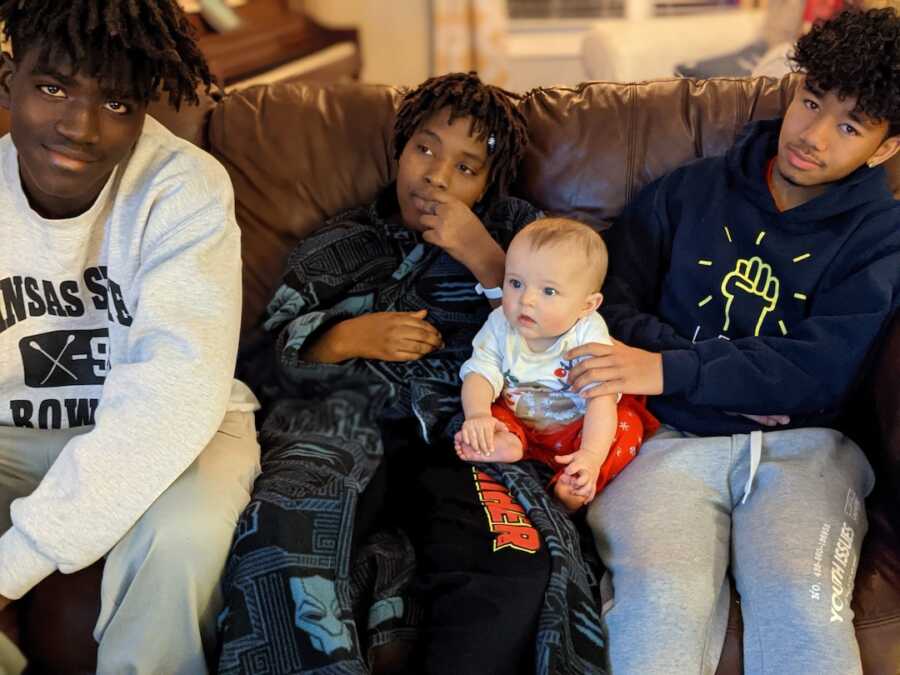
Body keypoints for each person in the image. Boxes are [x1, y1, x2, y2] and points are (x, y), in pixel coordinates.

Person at [219, 72, 602, 675]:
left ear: (491, 184)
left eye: (466, 168)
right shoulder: (345, 238)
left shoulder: (525, 236)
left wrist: (481, 252)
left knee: (519, 560)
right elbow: (258, 358)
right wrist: (344, 337)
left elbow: (568, 328)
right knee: (282, 538)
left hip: (467, 426)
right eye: (425, 149)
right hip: (343, 419)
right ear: (400, 148)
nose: (437, 176)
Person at [568, 8, 900, 674]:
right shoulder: (686, 193)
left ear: (887, 147)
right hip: (665, 439)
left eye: (850, 126)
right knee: (658, 605)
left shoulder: (881, 236)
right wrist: (712, 380)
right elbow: (603, 306)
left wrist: (664, 368)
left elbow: (819, 373)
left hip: (807, 450)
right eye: (811, 102)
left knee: (800, 607)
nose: (811, 135)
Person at [0, 2, 261, 673]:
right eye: (52, 88)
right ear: (8, 82)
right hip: (12, 430)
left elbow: (173, 396)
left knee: (185, 537)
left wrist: (10, 565)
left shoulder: (186, 189)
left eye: (115, 103)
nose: (78, 127)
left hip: (181, 426)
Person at [455, 218, 658, 510]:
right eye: (515, 283)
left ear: (587, 306)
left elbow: (600, 399)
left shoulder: (588, 334)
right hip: (519, 417)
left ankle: (576, 482)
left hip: (578, 426)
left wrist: (590, 455)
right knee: (492, 410)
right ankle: (507, 444)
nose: (526, 300)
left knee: (626, 425)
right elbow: (480, 373)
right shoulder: (500, 323)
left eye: (548, 291)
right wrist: (477, 416)